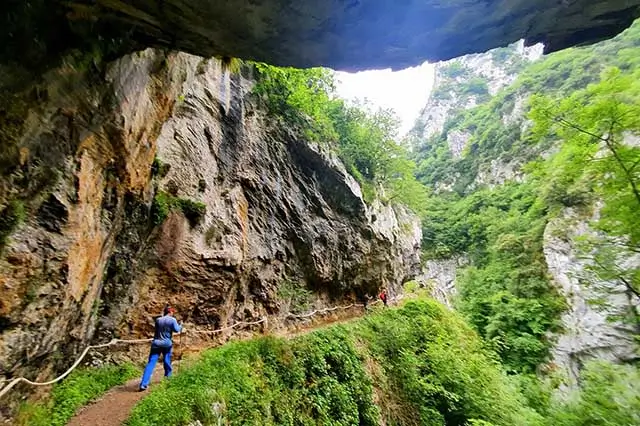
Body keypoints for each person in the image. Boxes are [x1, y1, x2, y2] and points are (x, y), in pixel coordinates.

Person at [139, 305, 183, 391]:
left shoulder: (158, 320)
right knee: (167, 360)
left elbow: (156, 332)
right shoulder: (172, 320)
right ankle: (168, 378)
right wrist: (181, 325)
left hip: (156, 343)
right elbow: (177, 330)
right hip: (166, 344)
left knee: (151, 363)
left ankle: (143, 384)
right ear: (171, 312)